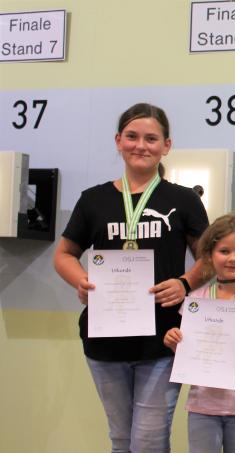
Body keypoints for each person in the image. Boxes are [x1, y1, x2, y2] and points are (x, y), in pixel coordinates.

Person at [53, 103, 210, 452]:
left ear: (166, 145)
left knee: (149, 441)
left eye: (151, 138)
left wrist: (185, 283)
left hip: (164, 337)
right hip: (105, 339)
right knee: (121, 439)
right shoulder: (93, 200)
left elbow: (210, 259)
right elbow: (63, 255)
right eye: (132, 137)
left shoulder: (183, 200)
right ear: (118, 141)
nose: (141, 145)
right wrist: (82, 282)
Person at [164, 213, 235, 453]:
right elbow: (187, 352)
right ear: (209, 255)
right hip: (203, 407)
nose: (232, 259)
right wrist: (174, 341)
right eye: (224, 251)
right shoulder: (195, 299)